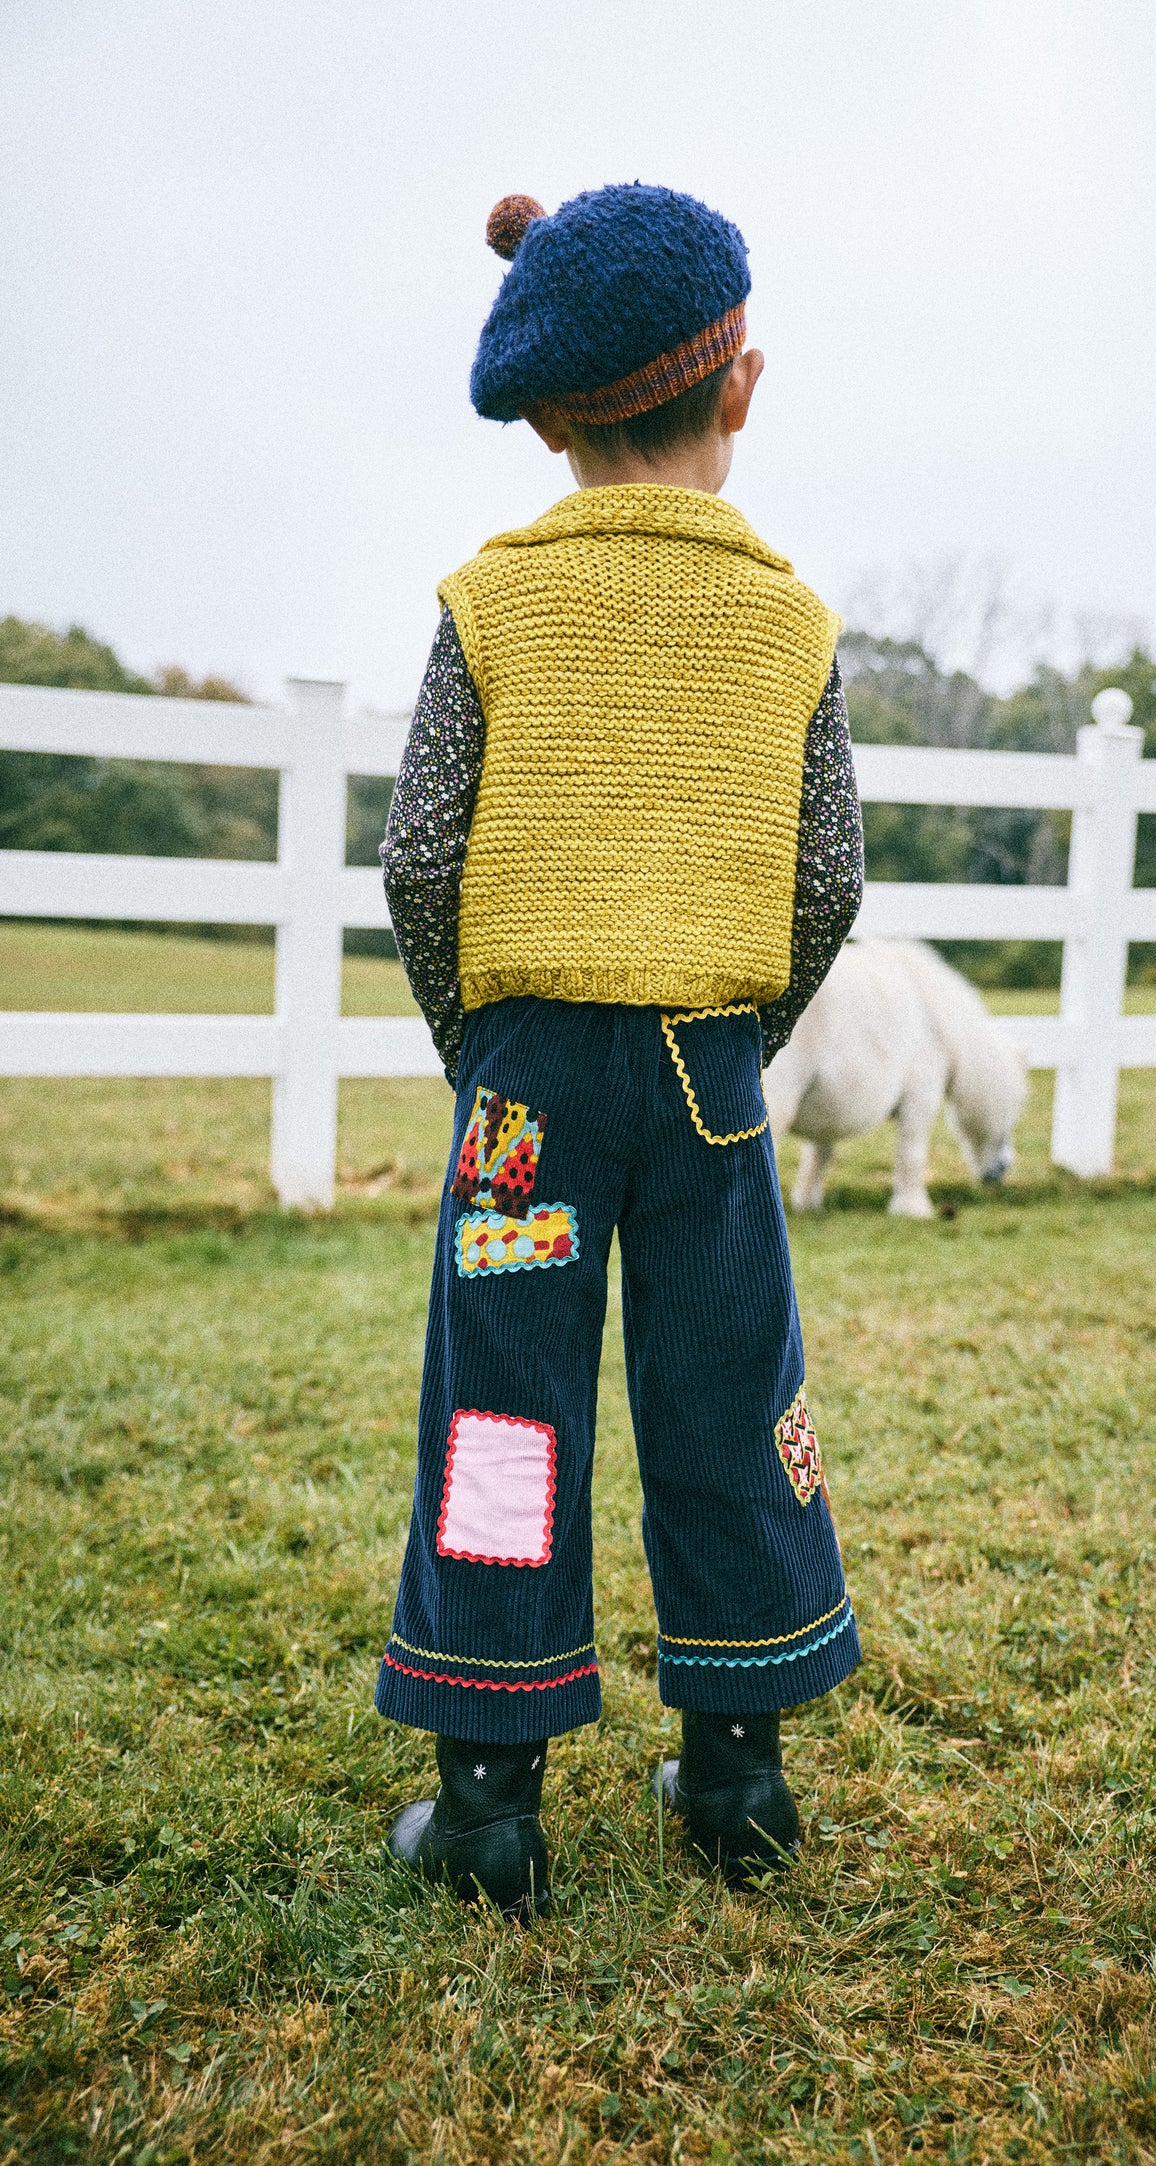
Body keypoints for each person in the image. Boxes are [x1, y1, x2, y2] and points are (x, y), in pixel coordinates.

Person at [376, 183, 864, 1918]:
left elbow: (422, 854)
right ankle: (737, 1771)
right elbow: (827, 874)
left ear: (551, 417)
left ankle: (489, 1792)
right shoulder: (788, 620)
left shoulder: (491, 598)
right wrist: (747, 1027)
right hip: (706, 1071)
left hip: (523, 1082)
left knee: (503, 1401)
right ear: (738, 389)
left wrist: (478, 1042)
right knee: (730, 1388)